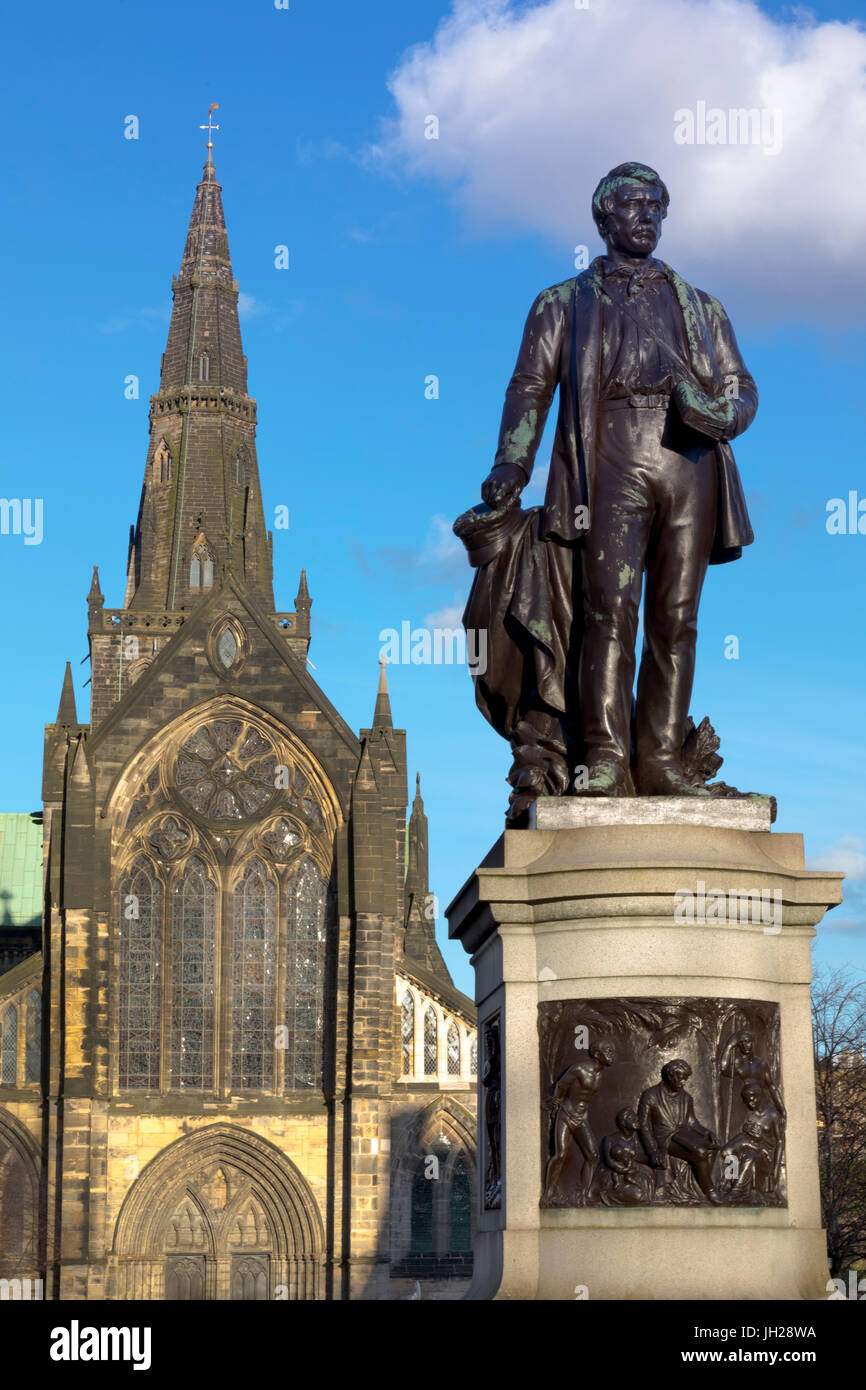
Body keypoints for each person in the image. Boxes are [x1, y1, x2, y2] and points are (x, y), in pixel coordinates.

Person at [458, 162, 757, 816]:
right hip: (610, 456)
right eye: (632, 205)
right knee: (608, 612)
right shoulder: (561, 303)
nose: (646, 215)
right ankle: (604, 755)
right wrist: (511, 464)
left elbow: (740, 388)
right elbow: (529, 388)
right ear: (604, 220)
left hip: (689, 458)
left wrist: (717, 415)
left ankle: (664, 761)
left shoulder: (703, 308)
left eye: (656, 205)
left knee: (676, 620)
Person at [542, 1039, 616, 1205]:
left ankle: (583, 1194)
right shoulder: (579, 1069)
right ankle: (548, 1193)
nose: (612, 1055)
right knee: (560, 1154)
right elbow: (560, 1085)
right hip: (566, 1114)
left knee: (593, 1156)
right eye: (608, 1051)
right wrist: (555, 1102)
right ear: (597, 1054)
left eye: (612, 1051)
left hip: (581, 1117)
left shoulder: (600, 1072)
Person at [637, 1058, 721, 1203]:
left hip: (683, 1134)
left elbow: (692, 1122)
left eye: (685, 1079)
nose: (683, 1082)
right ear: (670, 1076)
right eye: (680, 1078)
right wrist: (652, 1151)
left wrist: (707, 1132)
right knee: (700, 1152)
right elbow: (643, 1125)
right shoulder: (650, 1096)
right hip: (665, 1138)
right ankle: (710, 1191)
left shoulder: (686, 1098)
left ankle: (700, 1180)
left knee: (714, 1146)